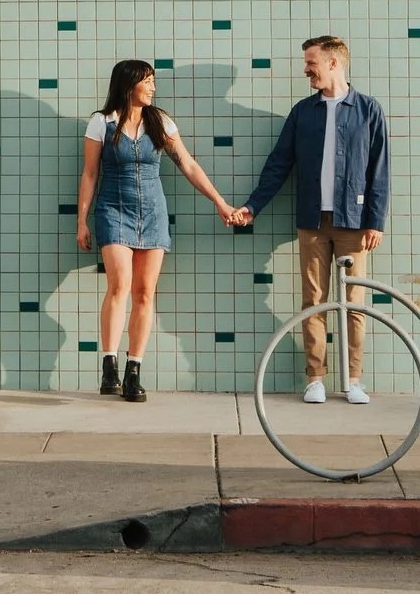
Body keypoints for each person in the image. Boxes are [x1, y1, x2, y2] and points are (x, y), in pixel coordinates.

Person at [76, 59, 250, 402]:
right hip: (113, 211)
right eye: (148, 82)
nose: (153, 88)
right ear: (128, 86)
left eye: (153, 82)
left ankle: (133, 370)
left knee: (144, 292)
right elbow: (90, 174)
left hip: (153, 213)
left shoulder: (161, 121)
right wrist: (81, 221)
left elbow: (187, 163)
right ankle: (109, 362)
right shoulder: (102, 122)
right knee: (120, 285)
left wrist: (220, 202)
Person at [240, 35, 390, 405]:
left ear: (333, 63)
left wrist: (376, 221)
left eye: (311, 62)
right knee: (314, 300)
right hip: (312, 219)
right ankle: (316, 378)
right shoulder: (304, 112)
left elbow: (379, 169)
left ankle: (354, 379)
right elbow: (279, 164)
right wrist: (253, 205)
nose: (306, 69)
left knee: (354, 301)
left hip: (355, 221)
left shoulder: (368, 109)